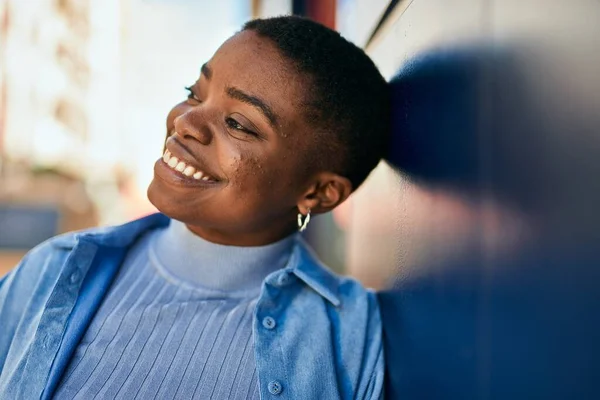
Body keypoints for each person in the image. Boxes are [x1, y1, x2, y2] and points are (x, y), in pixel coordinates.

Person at [0, 15, 390, 399]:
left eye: (238, 123)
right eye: (194, 92)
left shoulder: (352, 339)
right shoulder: (53, 270)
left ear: (319, 192)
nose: (185, 122)